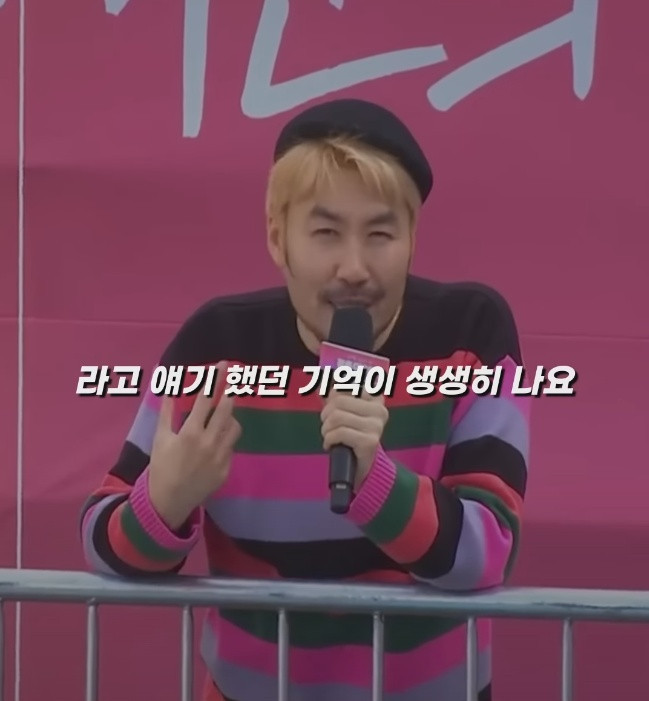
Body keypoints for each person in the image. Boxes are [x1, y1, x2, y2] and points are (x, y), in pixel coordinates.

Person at [80, 98, 531, 701]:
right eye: (325, 234)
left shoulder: (470, 335)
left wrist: (375, 482)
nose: (354, 267)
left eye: (380, 234)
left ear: (412, 239)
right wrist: (165, 502)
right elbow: (101, 539)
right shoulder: (216, 346)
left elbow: (488, 549)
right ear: (278, 239)